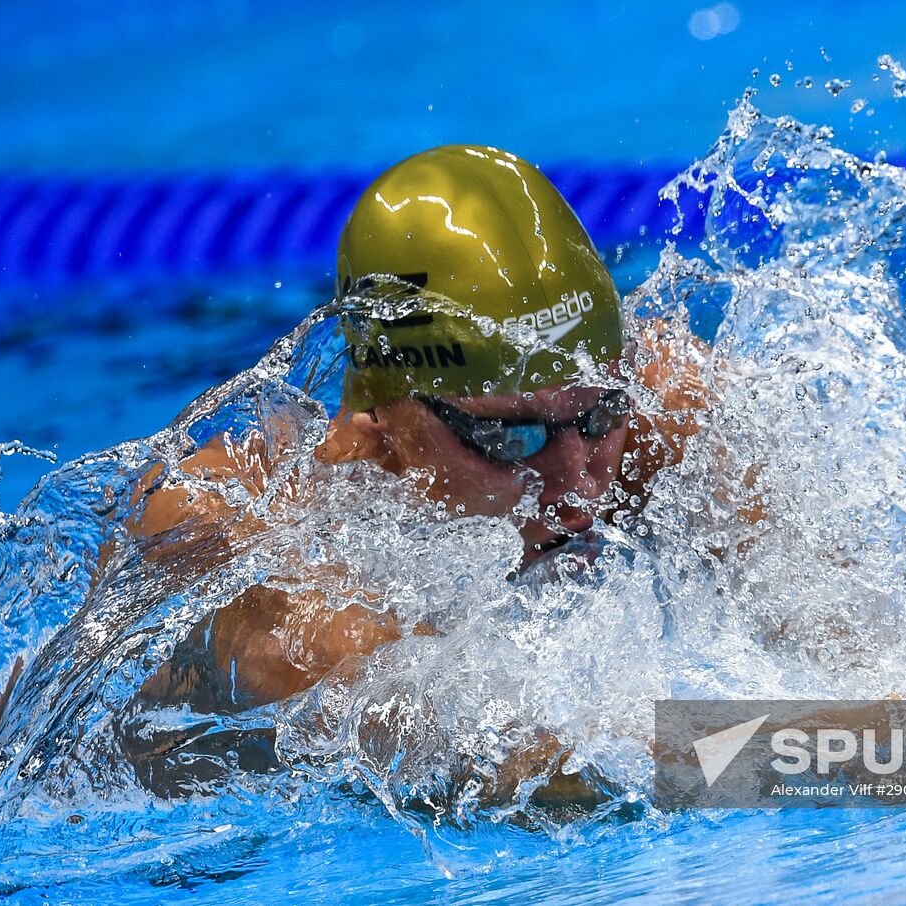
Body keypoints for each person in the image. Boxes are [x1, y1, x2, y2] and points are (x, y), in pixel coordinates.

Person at [120, 145, 709, 795]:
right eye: (510, 436)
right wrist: (829, 753)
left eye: (601, 415)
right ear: (379, 418)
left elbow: (832, 632)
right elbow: (547, 777)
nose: (577, 488)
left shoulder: (669, 406)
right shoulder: (260, 547)